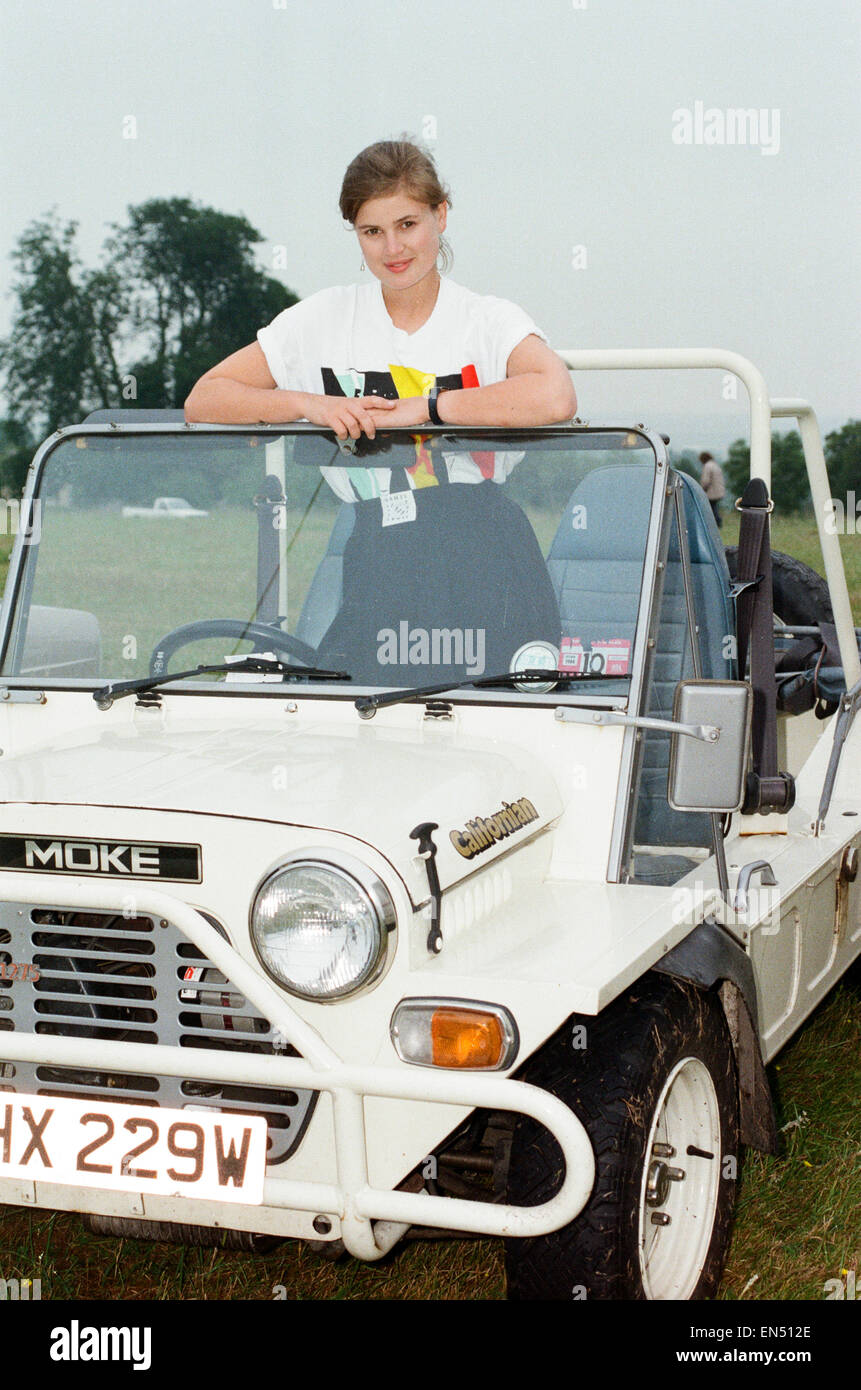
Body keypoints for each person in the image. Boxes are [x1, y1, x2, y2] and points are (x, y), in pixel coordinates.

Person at [183, 138, 577, 438]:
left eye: (407, 225)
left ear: (439, 215)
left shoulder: (488, 319)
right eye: (373, 231)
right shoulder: (321, 318)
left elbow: (556, 397)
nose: (393, 249)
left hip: (480, 531)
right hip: (369, 536)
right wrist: (310, 405)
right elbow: (204, 399)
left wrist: (427, 407)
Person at [699, 450, 726, 528]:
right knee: (714, 507)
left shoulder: (707, 466)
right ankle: (717, 522)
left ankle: (716, 523)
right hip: (718, 491)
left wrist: (702, 489)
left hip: (711, 492)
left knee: (711, 508)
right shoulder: (715, 465)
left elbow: (705, 481)